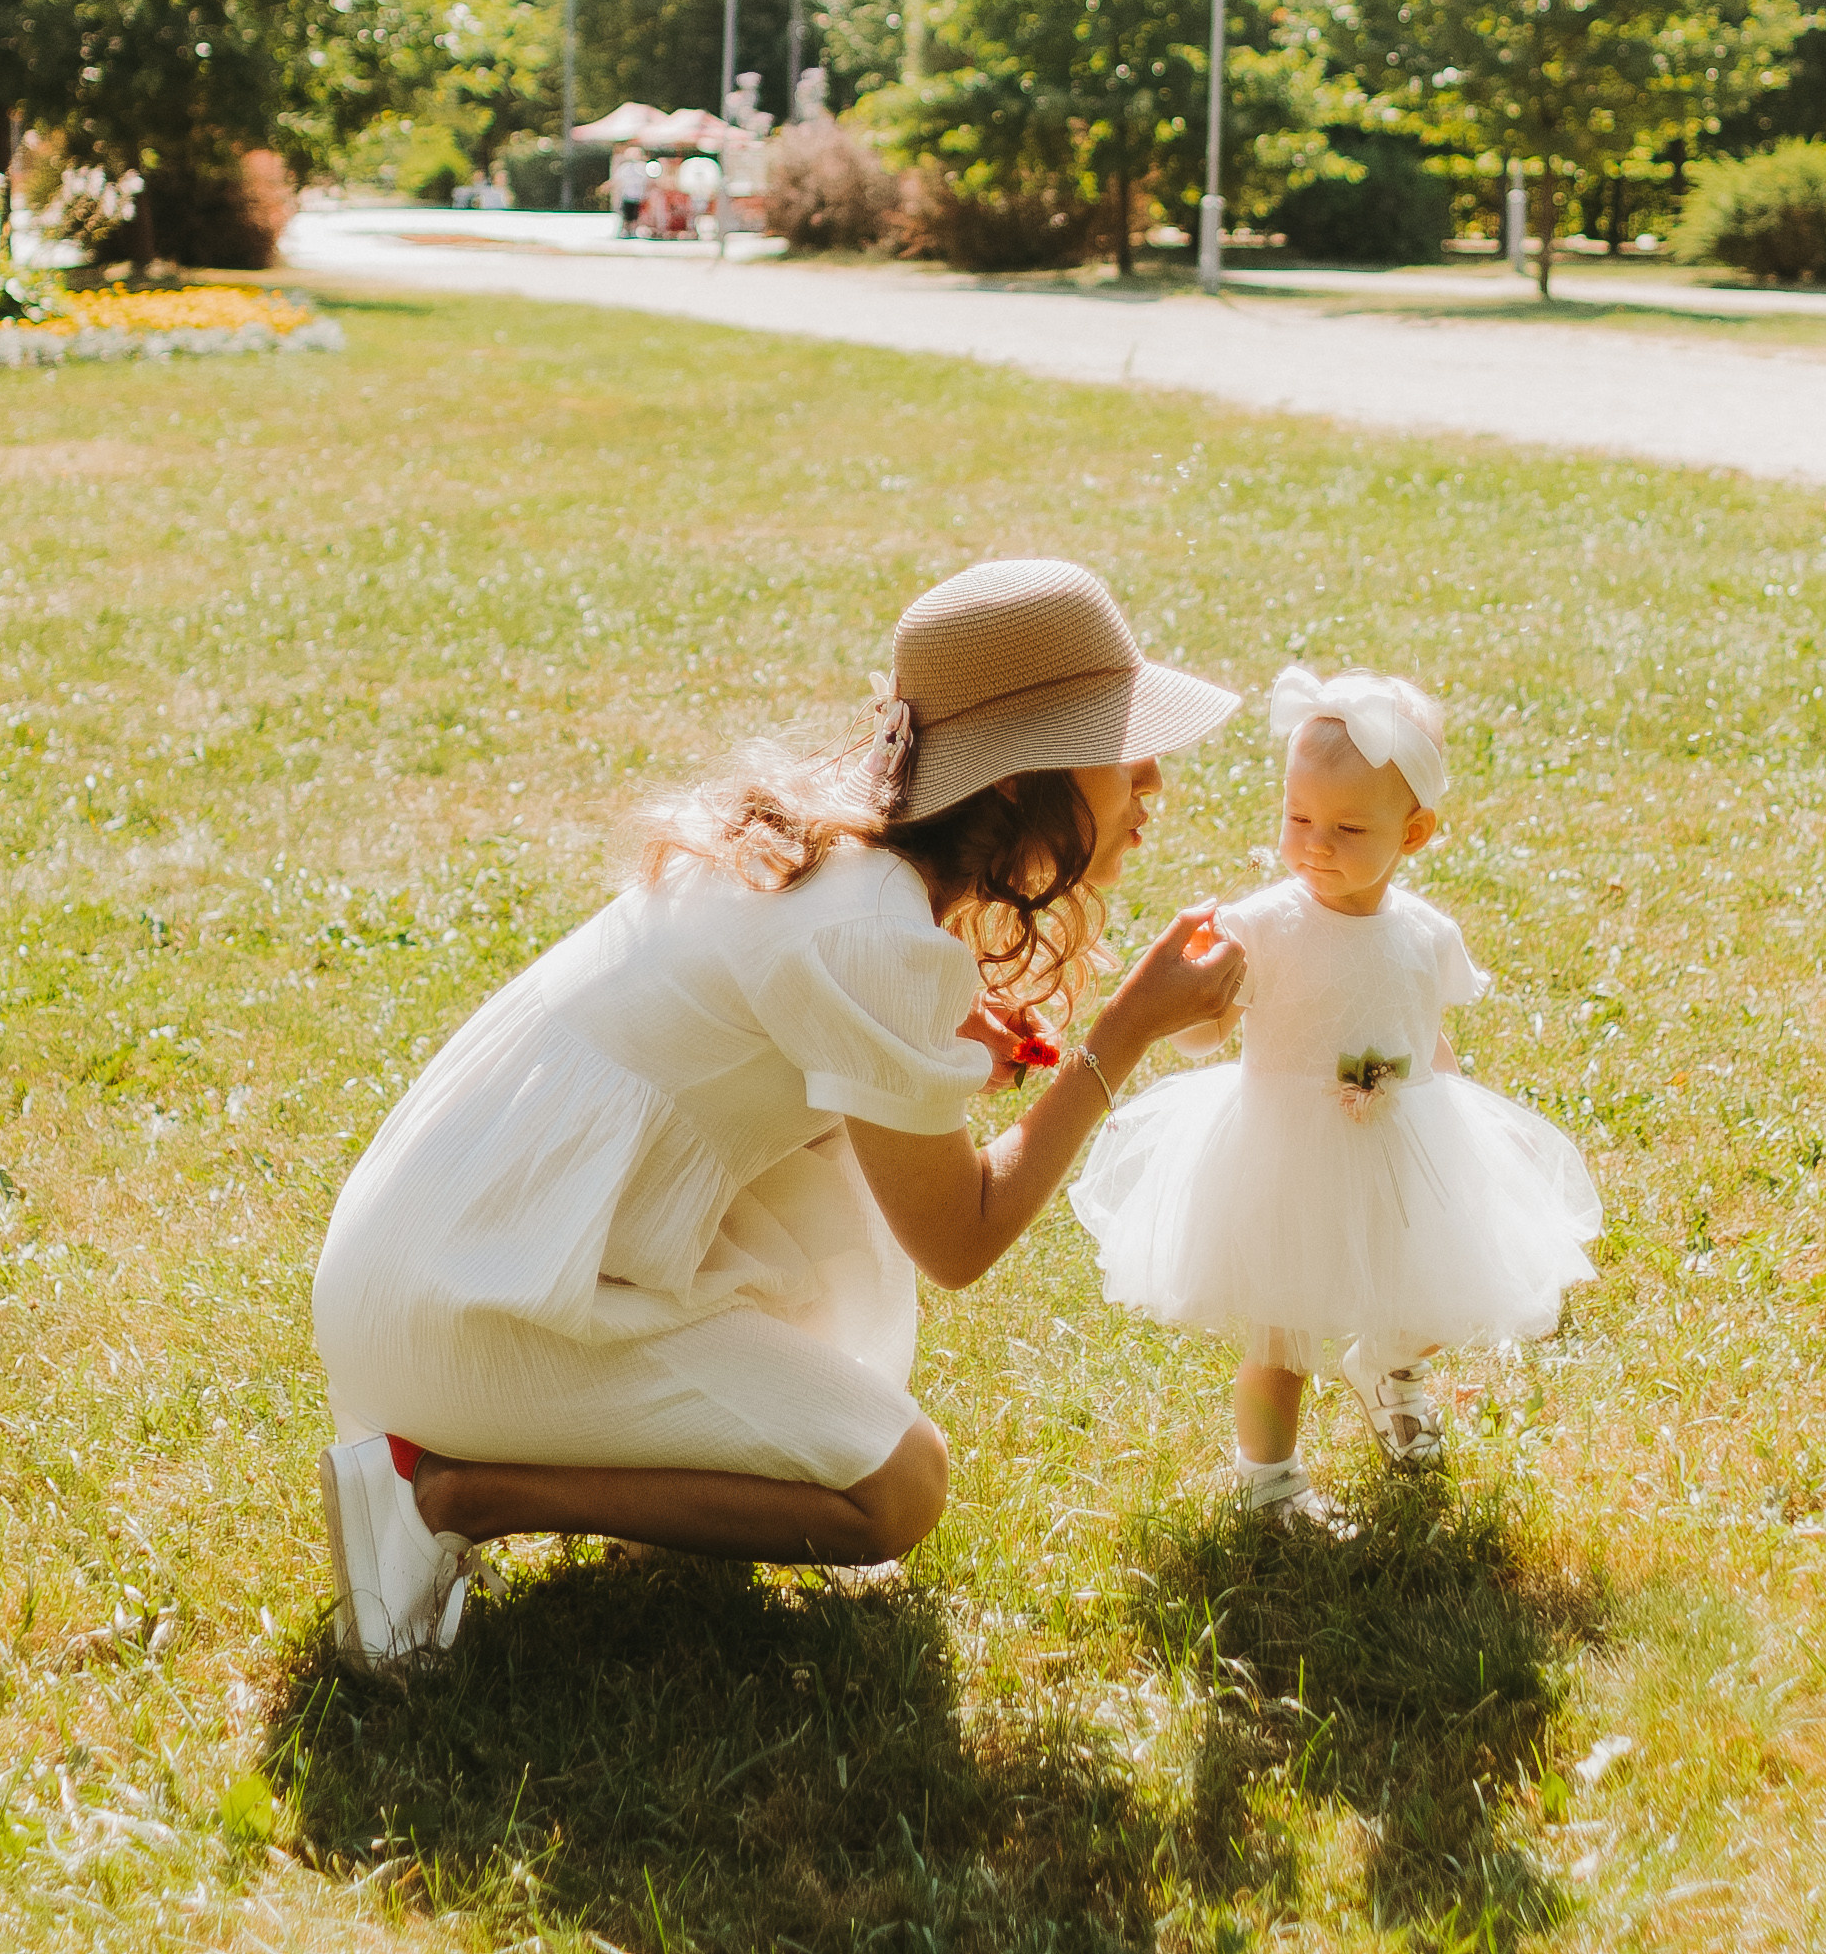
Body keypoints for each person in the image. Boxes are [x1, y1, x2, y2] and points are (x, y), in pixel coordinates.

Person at [312, 559, 1246, 1671]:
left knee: (833, 1242)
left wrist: (929, 1045)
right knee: (894, 1490)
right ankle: (445, 1493)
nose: (1150, 777)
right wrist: (1124, 1033)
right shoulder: (868, 931)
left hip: (444, 1249)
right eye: (1117, 740)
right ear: (1014, 778)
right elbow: (960, 1237)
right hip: (463, 1312)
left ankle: (612, 1467)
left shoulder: (828, 856)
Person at [1070, 667, 1600, 1516]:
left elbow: (1425, 1030)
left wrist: (1452, 1125)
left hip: (1399, 1137)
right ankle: (1268, 1481)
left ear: (1414, 832)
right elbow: (1211, 1025)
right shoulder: (1267, 924)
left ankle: (1387, 1359)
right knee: (1280, 1337)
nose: (1315, 843)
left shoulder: (1426, 935)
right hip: (1281, 1150)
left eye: (1349, 827)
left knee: (1428, 1288)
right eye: (1297, 817)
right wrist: (1192, 1006)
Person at [609, 142, 649, 237]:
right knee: (628, 214)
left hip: (635, 195)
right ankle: (628, 230)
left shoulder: (640, 167)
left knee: (633, 214)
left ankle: (631, 230)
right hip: (630, 195)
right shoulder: (629, 168)